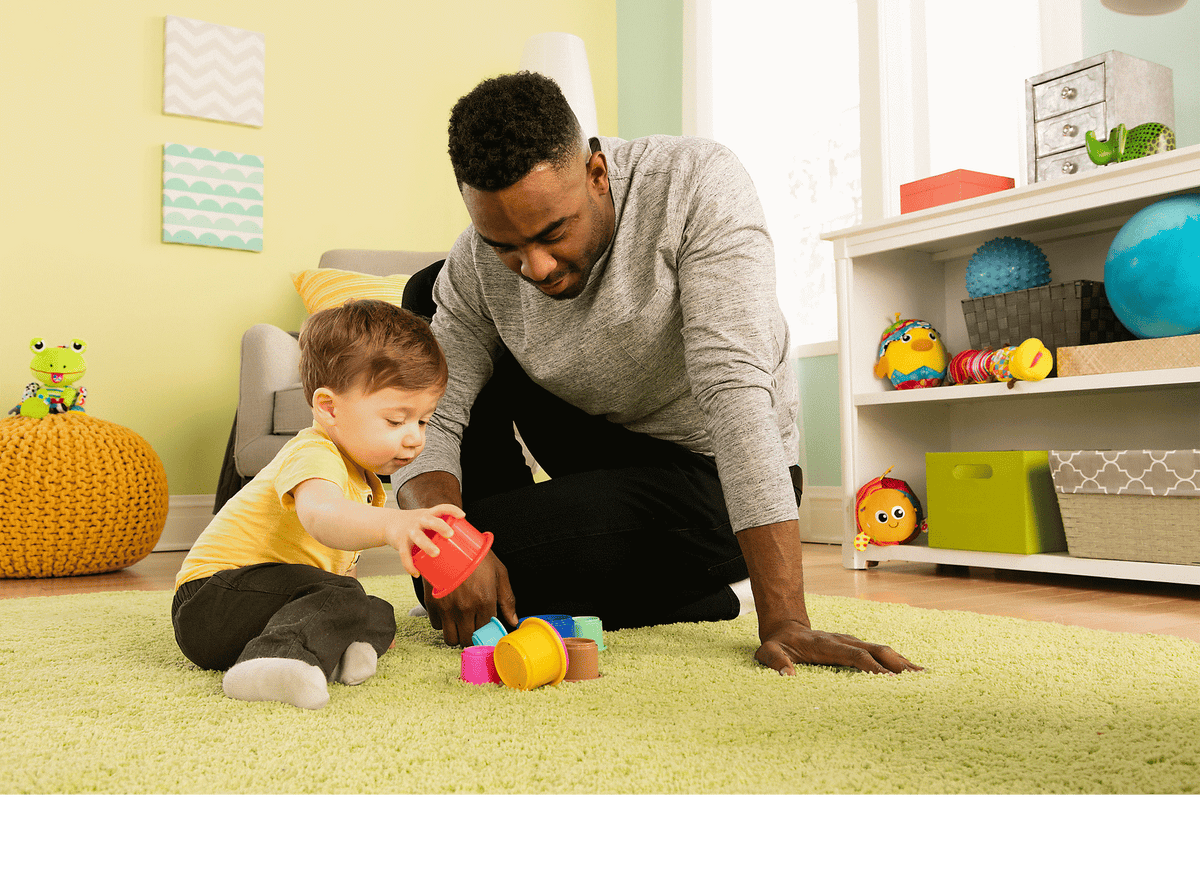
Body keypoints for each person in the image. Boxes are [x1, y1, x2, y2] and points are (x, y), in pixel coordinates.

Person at [397, 71, 920, 677]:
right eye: (504, 244)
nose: (534, 267)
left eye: (552, 233)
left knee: (491, 569)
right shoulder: (478, 265)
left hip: (713, 475)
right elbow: (434, 412)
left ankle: (591, 574)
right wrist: (456, 554)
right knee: (429, 291)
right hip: (599, 447)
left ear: (597, 175)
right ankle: (574, 575)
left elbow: (734, 392)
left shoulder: (695, 185)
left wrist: (786, 619)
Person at [172, 299, 465, 709]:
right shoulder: (314, 453)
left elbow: (336, 561)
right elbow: (322, 517)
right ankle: (271, 663)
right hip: (210, 601)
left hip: (261, 606)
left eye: (424, 420)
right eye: (396, 421)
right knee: (344, 596)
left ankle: (336, 646)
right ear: (329, 408)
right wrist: (392, 524)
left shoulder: (359, 475)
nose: (415, 437)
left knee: (373, 607)